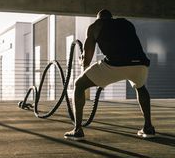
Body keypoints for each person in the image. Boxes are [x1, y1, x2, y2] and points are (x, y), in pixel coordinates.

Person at [64, 9, 155, 140]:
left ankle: (77, 130)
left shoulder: (95, 26)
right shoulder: (126, 23)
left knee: (79, 84)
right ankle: (148, 127)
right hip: (140, 64)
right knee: (141, 87)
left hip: (115, 65)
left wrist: (81, 61)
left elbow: (87, 59)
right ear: (111, 18)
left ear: (98, 18)